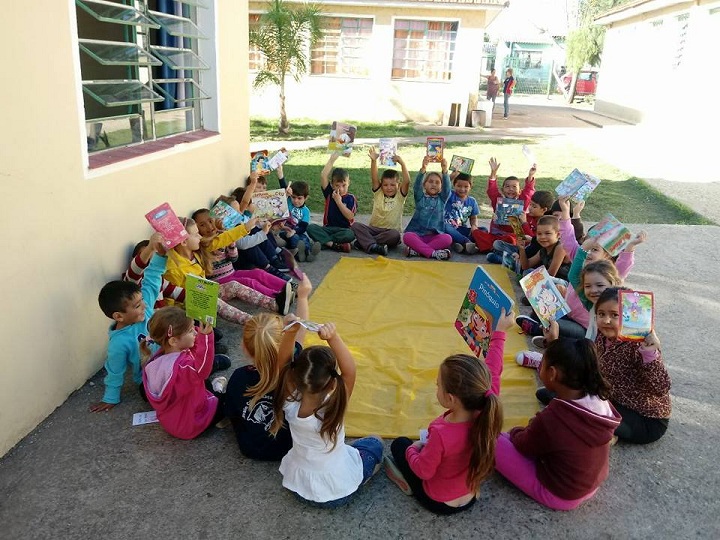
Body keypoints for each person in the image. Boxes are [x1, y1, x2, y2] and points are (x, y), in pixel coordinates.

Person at [385, 309, 513, 514]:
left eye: (438, 385)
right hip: (471, 496)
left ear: (450, 398)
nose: (436, 388)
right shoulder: (486, 405)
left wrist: (413, 449)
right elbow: (494, 369)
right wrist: (500, 332)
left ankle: (405, 481)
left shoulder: (441, 432)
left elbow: (423, 471)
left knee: (400, 444)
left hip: (440, 503)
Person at [495, 332, 621, 510]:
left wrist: (516, 432)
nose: (540, 368)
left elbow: (523, 444)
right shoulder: (599, 402)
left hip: (561, 494)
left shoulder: (554, 418)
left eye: (542, 364)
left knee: (490, 441)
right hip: (589, 485)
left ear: (552, 373)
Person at [270, 323, 384, 508]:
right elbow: (350, 371)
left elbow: (282, 365)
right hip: (338, 492)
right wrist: (333, 337)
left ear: (295, 378)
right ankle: (364, 476)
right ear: (333, 385)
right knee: (374, 441)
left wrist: (290, 334)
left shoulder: (289, 404)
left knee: (352, 449)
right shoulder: (334, 407)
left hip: (299, 487)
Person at [225, 275, 313, 461]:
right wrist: (303, 297)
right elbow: (300, 335)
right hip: (291, 447)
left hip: (250, 447)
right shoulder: (292, 371)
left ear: (245, 348)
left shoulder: (238, 378)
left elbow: (233, 415)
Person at [164, 217, 293, 322]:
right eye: (195, 234)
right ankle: (253, 322)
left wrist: (245, 228)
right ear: (184, 242)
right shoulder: (173, 267)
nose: (199, 236)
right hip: (185, 309)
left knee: (234, 285)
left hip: (204, 295)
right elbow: (172, 300)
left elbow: (221, 240)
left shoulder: (197, 251)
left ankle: (275, 304)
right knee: (214, 300)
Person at [91, 234, 167, 412]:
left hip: (174, 357)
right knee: (151, 395)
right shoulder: (118, 343)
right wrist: (110, 398)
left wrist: (161, 255)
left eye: (142, 301)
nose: (145, 306)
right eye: (137, 305)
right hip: (150, 377)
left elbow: (152, 278)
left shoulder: (144, 308)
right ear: (119, 316)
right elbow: (115, 371)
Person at [593, 287, 671, 444]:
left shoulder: (639, 346)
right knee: (555, 396)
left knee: (582, 412)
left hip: (645, 420)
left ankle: (609, 433)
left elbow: (662, 387)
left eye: (615, 315)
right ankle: (608, 431)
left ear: (630, 317)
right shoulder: (602, 336)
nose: (606, 320)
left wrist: (649, 354)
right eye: (601, 314)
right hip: (614, 402)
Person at [141, 307, 227, 439]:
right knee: (230, 400)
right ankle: (218, 392)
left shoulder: (156, 360)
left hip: (171, 422)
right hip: (192, 424)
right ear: (173, 341)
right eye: (190, 330)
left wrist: (196, 334)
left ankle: (214, 391)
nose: (195, 332)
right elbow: (203, 370)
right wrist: (206, 337)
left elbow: (194, 359)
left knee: (203, 383)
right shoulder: (184, 366)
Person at [192, 208, 291, 298]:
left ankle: (287, 287)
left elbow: (233, 258)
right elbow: (219, 245)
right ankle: (277, 296)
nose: (209, 226)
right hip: (219, 281)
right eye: (202, 225)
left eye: (210, 221)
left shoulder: (222, 236)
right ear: (197, 229)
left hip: (232, 273)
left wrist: (231, 244)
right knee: (248, 282)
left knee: (258, 273)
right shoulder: (203, 243)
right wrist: (225, 232)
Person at [351, 147, 410, 255]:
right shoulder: (379, 193)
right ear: (381, 185)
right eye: (385, 185)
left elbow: (407, 181)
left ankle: (365, 242)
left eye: (392, 185)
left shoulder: (400, 196)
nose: (389, 188)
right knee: (355, 226)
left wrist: (402, 163)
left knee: (395, 235)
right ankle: (373, 245)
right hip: (373, 229)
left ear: (398, 185)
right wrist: (373, 161)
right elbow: (374, 178)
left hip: (389, 232)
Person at [471, 158, 536, 253]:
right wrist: (493, 173)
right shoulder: (498, 201)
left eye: (514, 187)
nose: (510, 189)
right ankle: (495, 247)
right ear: (502, 189)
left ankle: (490, 248)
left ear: (519, 191)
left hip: (513, 235)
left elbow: (528, 192)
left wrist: (531, 176)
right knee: (476, 232)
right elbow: (492, 191)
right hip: (496, 235)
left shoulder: (522, 202)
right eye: (507, 186)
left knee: (512, 239)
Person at [403, 156, 453, 260]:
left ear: (441, 186)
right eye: (430, 181)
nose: (433, 184)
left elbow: (447, 188)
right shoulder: (420, 198)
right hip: (418, 235)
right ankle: (434, 253)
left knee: (447, 239)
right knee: (407, 237)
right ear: (424, 185)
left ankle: (417, 252)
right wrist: (423, 168)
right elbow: (416, 187)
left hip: (434, 237)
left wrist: (444, 170)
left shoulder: (442, 199)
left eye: (437, 182)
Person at [306, 152, 358, 253]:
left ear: (348, 183)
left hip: (343, 230)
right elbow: (323, 176)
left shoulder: (351, 198)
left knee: (350, 234)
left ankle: (324, 242)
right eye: (337, 185)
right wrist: (331, 160)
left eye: (344, 185)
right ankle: (333, 245)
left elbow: (350, 216)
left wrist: (339, 202)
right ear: (333, 185)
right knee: (311, 227)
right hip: (328, 228)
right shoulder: (330, 193)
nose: (341, 189)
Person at [486, 190, 555, 263]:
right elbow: (516, 231)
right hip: (521, 249)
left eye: (534, 206)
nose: (530, 208)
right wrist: (500, 220)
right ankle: (512, 259)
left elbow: (534, 242)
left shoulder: (546, 223)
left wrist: (524, 223)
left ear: (544, 209)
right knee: (497, 244)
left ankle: (510, 261)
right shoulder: (527, 216)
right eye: (530, 204)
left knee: (491, 256)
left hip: (533, 253)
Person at [276, 180, 321, 263]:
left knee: (304, 239)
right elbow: (283, 189)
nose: (296, 201)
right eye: (293, 197)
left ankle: (308, 253)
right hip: (285, 232)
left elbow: (303, 226)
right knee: (295, 238)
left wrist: (295, 231)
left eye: (299, 198)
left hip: (297, 231)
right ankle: (302, 253)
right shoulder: (288, 202)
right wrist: (287, 192)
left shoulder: (306, 211)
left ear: (306, 197)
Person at [517, 215, 571, 280]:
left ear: (558, 235)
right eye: (539, 234)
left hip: (564, 284)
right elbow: (525, 266)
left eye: (547, 233)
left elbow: (551, 274)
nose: (542, 237)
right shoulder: (543, 250)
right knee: (527, 272)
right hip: (549, 280)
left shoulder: (560, 248)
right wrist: (521, 249)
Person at [444, 172, 481, 255]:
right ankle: (466, 242)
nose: (462, 189)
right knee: (446, 227)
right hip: (449, 228)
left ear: (471, 187)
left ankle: (459, 245)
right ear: (454, 185)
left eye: (466, 186)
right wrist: (450, 177)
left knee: (483, 230)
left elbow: (473, 217)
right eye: (459, 186)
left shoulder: (472, 201)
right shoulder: (450, 195)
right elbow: (444, 188)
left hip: (461, 229)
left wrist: (474, 226)